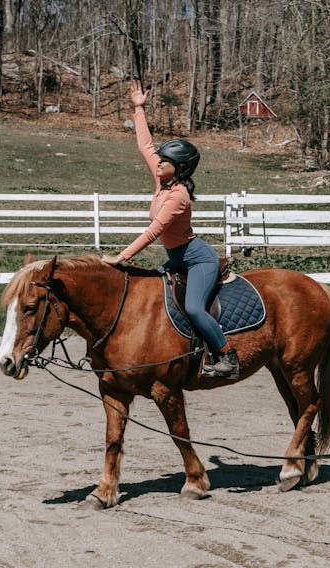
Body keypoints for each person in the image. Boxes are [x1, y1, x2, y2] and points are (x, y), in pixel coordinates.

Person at [102, 82, 238, 379]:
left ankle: (227, 356)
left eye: (165, 161)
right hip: (176, 257)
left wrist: (119, 257)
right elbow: (145, 146)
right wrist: (139, 108)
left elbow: (153, 232)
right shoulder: (162, 181)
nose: (158, 162)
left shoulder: (178, 196)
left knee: (194, 307)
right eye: (161, 159)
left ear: (179, 168)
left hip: (197, 258)